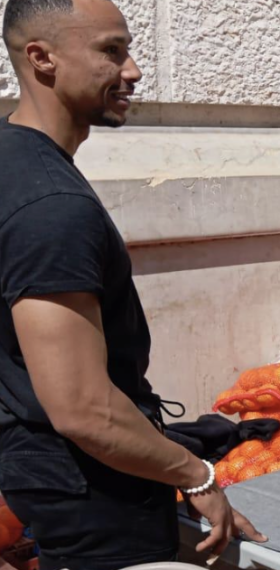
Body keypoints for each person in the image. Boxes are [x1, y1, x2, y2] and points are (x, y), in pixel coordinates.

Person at [0, 1, 263, 568]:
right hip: (89, 494)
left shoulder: (12, 161)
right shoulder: (52, 207)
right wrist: (198, 475)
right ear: (41, 58)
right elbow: (83, 408)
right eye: (110, 50)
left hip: (56, 478)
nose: (134, 70)